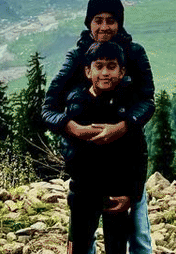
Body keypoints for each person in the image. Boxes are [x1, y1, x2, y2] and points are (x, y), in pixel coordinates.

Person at [42, 0, 155, 253]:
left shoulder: (134, 54)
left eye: (111, 20)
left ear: (120, 23)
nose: (105, 26)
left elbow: (148, 101)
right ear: (88, 23)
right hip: (86, 165)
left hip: (123, 157)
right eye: (98, 19)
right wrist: (71, 127)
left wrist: (124, 126)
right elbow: (49, 107)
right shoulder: (78, 56)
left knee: (135, 231)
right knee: (82, 234)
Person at [63, 42, 147, 254]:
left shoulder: (127, 108)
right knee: (80, 245)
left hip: (117, 192)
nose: (105, 73)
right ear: (87, 71)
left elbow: (138, 154)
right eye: (99, 66)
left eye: (111, 67)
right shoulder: (77, 104)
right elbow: (70, 151)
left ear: (122, 72)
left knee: (117, 246)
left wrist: (132, 194)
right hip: (84, 193)